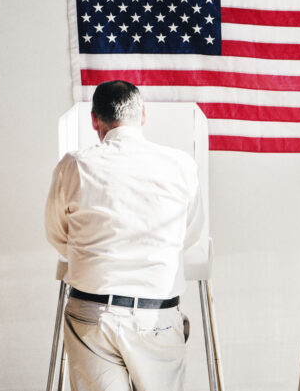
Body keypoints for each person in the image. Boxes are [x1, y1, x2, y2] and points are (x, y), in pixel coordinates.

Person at [45, 80, 203, 391]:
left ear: (94, 120)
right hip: (156, 313)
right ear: (142, 115)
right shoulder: (181, 164)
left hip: (91, 311)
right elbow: (190, 233)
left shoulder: (74, 165)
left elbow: (57, 236)